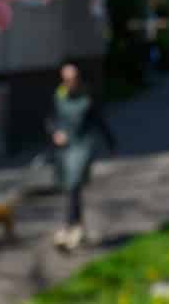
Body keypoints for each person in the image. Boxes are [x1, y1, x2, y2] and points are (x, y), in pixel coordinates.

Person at [47, 63, 116, 251]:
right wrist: (55, 133)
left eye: (73, 78)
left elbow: (99, 120)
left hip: (82, 146)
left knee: (73, 181)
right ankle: (79, 226)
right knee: (71, 186)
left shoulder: (87, 97)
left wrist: (111, 142)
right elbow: (51, 119)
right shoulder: (58, 96)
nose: (70, 82)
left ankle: (70, 225)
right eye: (66, 79)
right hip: (65, 147)